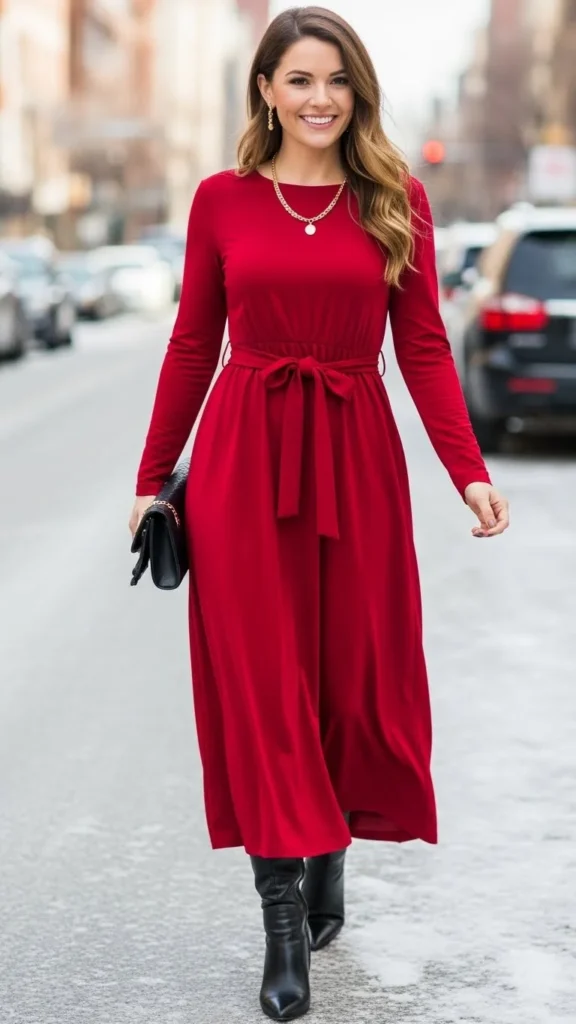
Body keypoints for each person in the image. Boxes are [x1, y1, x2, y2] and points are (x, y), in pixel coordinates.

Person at [129, 5, 510, 1020]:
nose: (319, 98)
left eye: (336, 79)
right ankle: (281, 918)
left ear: (358, 91)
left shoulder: (396, 198)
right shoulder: (222, 201)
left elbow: (424, 345)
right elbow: (190, 346)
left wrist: (464, 468)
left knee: (352, 674)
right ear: (265, 90)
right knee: (263, 683)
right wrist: (152, 474)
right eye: (298, 79)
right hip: (244, 457)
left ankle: (332, 838)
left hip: (356, 453)